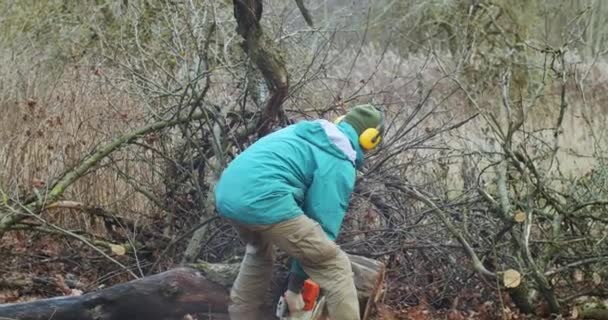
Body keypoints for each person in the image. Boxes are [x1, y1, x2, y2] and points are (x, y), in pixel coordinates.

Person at [214, 104, 385, 320]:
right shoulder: (339, 158)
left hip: (227, 194)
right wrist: (295, 286)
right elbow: (323, 224)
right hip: (264, 200)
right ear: (370, 139)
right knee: (335, 266)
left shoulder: (304, 132)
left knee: (259, 250)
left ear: (342, 121)